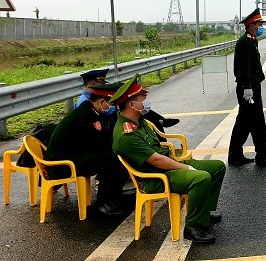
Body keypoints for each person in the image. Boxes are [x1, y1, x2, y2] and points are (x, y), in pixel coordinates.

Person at [110, 74, 226, 244]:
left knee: (217, 166)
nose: (146, 102)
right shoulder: (126, 134)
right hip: (156, 178)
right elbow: (156, 160)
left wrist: (181, 164)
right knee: (201, 177)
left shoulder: (138, 121)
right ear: (131, 104)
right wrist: (187, 168)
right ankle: (193, 227)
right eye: (142, 98)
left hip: (167, 166)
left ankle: (204, 213)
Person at [45, 81, 128, 217]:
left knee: (113, 157)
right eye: (111, 104)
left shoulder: (90, 112)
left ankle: (113, 199)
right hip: (62, 164)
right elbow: (98, 142)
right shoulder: (86, 116)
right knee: (111, 160)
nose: (112, 107)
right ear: (101, 102)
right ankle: (103, 203)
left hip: (74, 155)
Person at [229, 8, 266, 167]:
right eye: (259, 24)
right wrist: (247, 87)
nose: (261, 27)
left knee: (244, 122)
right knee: (257, 121)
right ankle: (262, 156)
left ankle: (235, 155)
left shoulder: (251, 40)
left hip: (251, 86)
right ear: (252, 25)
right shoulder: (245, 42)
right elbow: (243, 67)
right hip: (249, 89)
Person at [76, 68, 180, 134]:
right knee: (130, 109)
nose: (104, 86)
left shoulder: (95, 96)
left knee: (137, 110)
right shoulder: (84, 102)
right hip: (105, 126)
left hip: (109, 121)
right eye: (102, 83)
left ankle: (159, 122)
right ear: (94, 83)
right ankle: (159, 121)